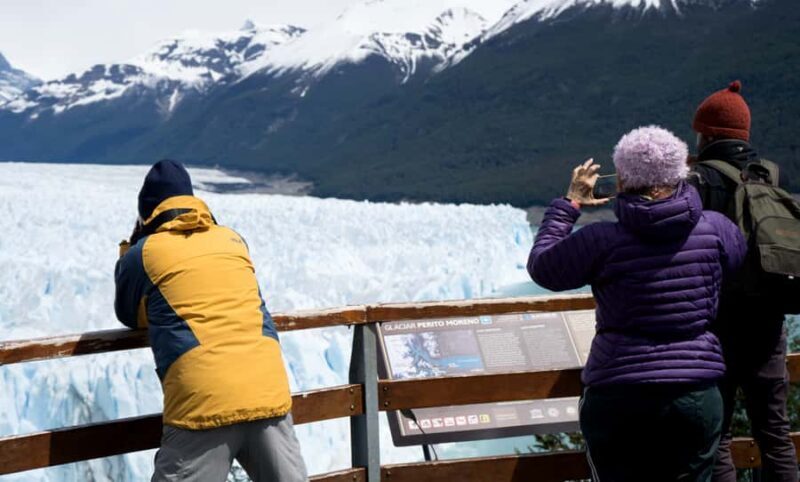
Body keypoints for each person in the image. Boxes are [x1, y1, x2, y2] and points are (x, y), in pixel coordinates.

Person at [528, 126, 747, 482]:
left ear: (621, 180)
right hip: (695, 391)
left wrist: (570, 204)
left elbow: (543, 268)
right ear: (681, 173)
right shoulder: (717, 229)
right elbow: (737, 262)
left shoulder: (601, 240)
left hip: (619, 392)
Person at [115, 160, 308, 482]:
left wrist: (129, 250)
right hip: (267, 391)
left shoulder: (144, 253)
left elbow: (129, 315)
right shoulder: (233, 240)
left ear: (146, 212)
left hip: (203, 403)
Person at [688, 81, 799, 482]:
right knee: (775, 434)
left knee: (716, 437)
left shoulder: (699, 182)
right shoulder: (768, 175)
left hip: (717, 326)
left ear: (707, 134)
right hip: (769, 325)